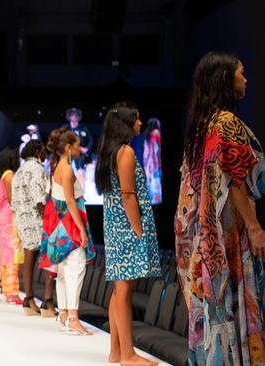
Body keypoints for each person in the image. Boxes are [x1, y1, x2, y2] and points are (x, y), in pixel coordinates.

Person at [175, 52, 265, 365]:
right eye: (242, 73)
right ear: (227, 80)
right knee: (232, 312)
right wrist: (255, 227)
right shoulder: (225, 123)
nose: (246, 79)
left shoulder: (203, 125)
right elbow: (237, 180)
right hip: (229, 237)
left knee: (216, 317)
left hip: (207, 238)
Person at [95, 102, 161, 366]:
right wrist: (138, 230)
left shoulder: (112, 152)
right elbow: (128, 195)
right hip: (126, 227)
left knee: (119, 289)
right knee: (124, 290)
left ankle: (116, 351)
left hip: (115, 226)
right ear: (125, 123)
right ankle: (128, 354)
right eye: (136, 119)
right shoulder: (125, 152)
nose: (140, 123)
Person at [40, 128, 96, 335]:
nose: (80, 149)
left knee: (64, 270)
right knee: (75, 268)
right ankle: (72, 317)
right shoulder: (66, 169)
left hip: (59, 224)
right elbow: (71, 201)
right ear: (67, 147)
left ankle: (64, 314)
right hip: (68, 224)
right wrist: (81, 229)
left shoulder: (58, 167)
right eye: (77, 145)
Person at [11, 139, 52, 316]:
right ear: (36, 151)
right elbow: (38, 196)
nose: (45, 154)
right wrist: (50, 211)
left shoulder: (19, 171)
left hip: (22, 217)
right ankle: (48, 302)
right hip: (37, 217)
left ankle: (28, 298)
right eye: (43, 150)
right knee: (50, 257)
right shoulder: (36, 168)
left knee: (29, 255)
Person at [0, 148, 23, 305]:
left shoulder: (1, 175)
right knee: (12, 252)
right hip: (11, 216)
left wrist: (1, 204)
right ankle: (12, 292)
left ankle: (8, 290)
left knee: (7, 251)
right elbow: (13, 199)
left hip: (4, 214)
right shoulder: (10, 175)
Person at [62, 108, 94, 172]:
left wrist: (86, 149)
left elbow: (91, 141)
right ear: (69, 116)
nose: (74, 117)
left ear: (79, 117)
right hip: (68, 155)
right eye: (72, 115)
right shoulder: (65, 128)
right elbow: (61, 140)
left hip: (80, 156)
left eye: (76, 115)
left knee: (80, 172)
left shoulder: (83, 128)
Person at [142, 118, 162, 205]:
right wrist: (156, 162)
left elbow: (146, 152)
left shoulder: (147, 135)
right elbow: (155, 149)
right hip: (154, 162)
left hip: (148, 163)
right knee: (156, 181)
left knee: (150, 182)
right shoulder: (156, 133)